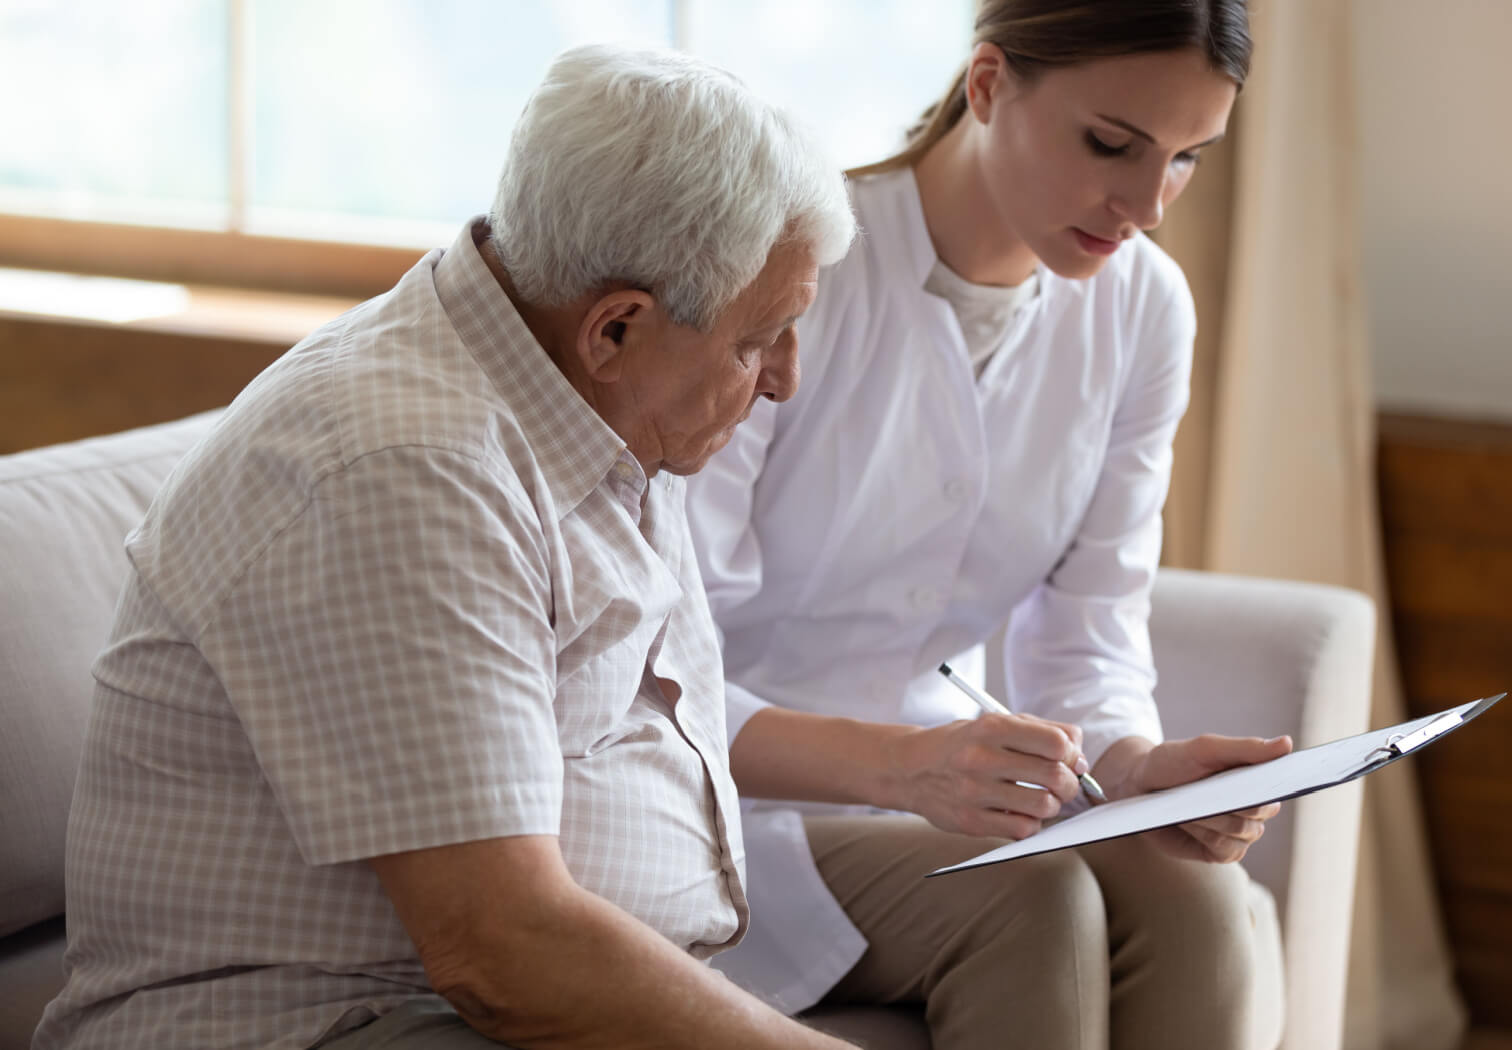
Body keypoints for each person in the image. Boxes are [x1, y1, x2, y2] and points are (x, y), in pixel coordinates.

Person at [32, 45, 859, 1050]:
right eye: (756, 340)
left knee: (1030, 899)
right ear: (615, 329)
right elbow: (502, 954)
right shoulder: (404, 466)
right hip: (331, 1020)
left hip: (486, 985)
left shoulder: (586, 394)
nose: (782, 379)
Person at [684, 2, 1294, 1047]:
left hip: (949, 794)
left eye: (1187, 158)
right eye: (1112, 144)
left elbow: (1090, 633)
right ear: (985, 85)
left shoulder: (1143, 309)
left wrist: (1137, 769)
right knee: (1039, 901)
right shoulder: (792, 274)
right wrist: (901, 767)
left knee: (1199, 899)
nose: (1148, 204)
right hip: (729, 805)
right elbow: (661, 666)